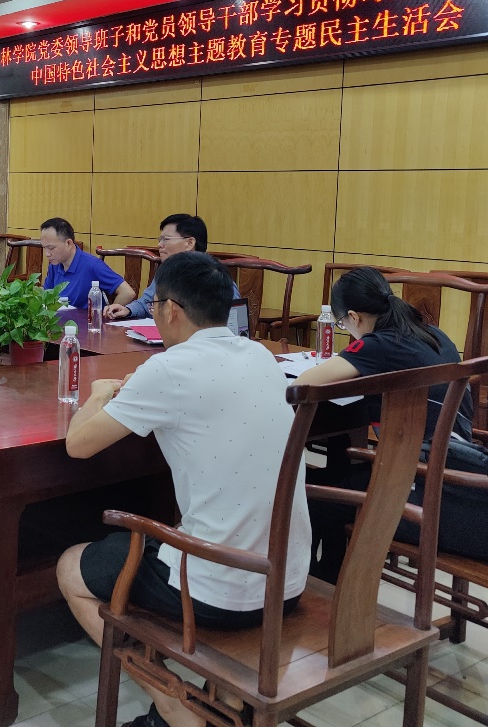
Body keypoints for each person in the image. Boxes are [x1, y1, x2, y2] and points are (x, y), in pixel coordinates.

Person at [56, 252, 310, 727]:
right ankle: (220, 702)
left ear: (171, 310)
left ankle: (177, 709)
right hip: (286, 582)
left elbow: (78, 445)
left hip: (218, 590)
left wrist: (97, 396)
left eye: (154, 306)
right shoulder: (259, 355)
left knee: (71, 566)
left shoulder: (169, 369)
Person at [295, 266, 473, 583]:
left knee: (314, 493)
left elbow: (303, 384)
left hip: (416, 479)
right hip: (457, 464)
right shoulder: (433, 333)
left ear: (354, 316)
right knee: (339, 473)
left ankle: (324, 583)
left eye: (342, 324)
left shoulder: (375, 346)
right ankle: (330, 577)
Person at [105, 214, 221, 320]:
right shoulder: (166, 270)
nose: (159, 245)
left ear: (189, 243)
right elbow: (146, 303)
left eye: (166, 239)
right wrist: (128, 310)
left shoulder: (212, 275)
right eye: (160, 240)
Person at [38, 217, 134, 309]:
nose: (47, 254)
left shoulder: (92, 265)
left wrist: (107, 314)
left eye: (51, 248)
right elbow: (47, 293)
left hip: (84, 319)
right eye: (44, 248)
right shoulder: (55, 264)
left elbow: (128, 292)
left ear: (68, 243)